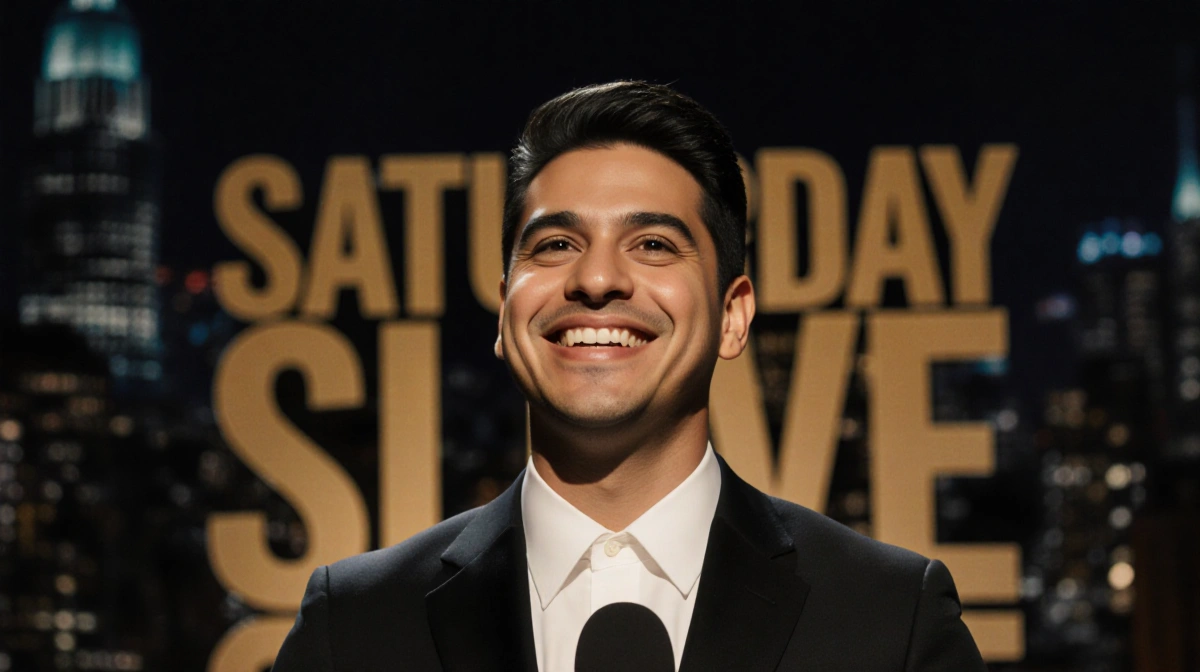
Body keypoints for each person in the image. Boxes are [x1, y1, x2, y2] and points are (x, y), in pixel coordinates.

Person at [272, 81, 986, 672]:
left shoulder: (891, 619)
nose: (597, 278)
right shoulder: (355, 626)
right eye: (555, 243)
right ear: (504, 311)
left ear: (734, 316)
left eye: (652, 244)